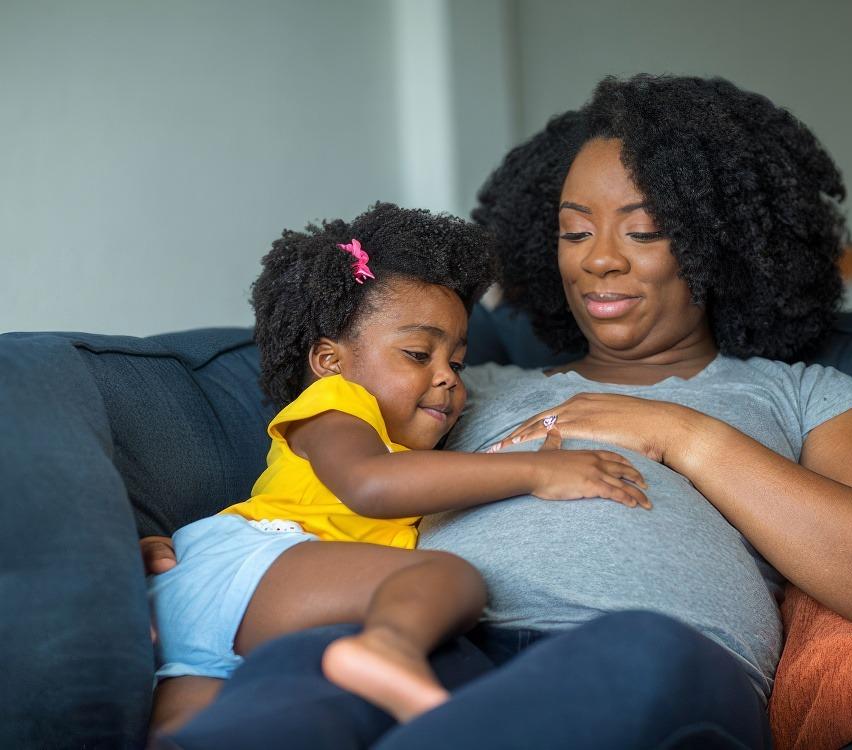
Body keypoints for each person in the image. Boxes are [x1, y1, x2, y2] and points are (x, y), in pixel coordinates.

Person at [146, 75, 852, 749]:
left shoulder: (802, 395)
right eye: (573, 231)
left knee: (640, 653)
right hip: (429, 636)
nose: (598, 258)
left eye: (645, 230)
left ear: (721, 242)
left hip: (654, 652)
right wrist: (196, 555)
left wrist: (679, 433)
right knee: (302, 673)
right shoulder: (456, 383)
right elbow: (333, 484)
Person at [146, 202, 650, 733]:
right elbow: (370, 486)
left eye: (456, 362)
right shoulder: (335, 407)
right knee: (444, 576)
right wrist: (534, 472)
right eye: (417, 354)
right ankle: (390, 646)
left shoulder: (408, 447)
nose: (448, 378)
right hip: (254, 561)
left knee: (188, 734)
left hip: (220, 622)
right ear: (329, 361)